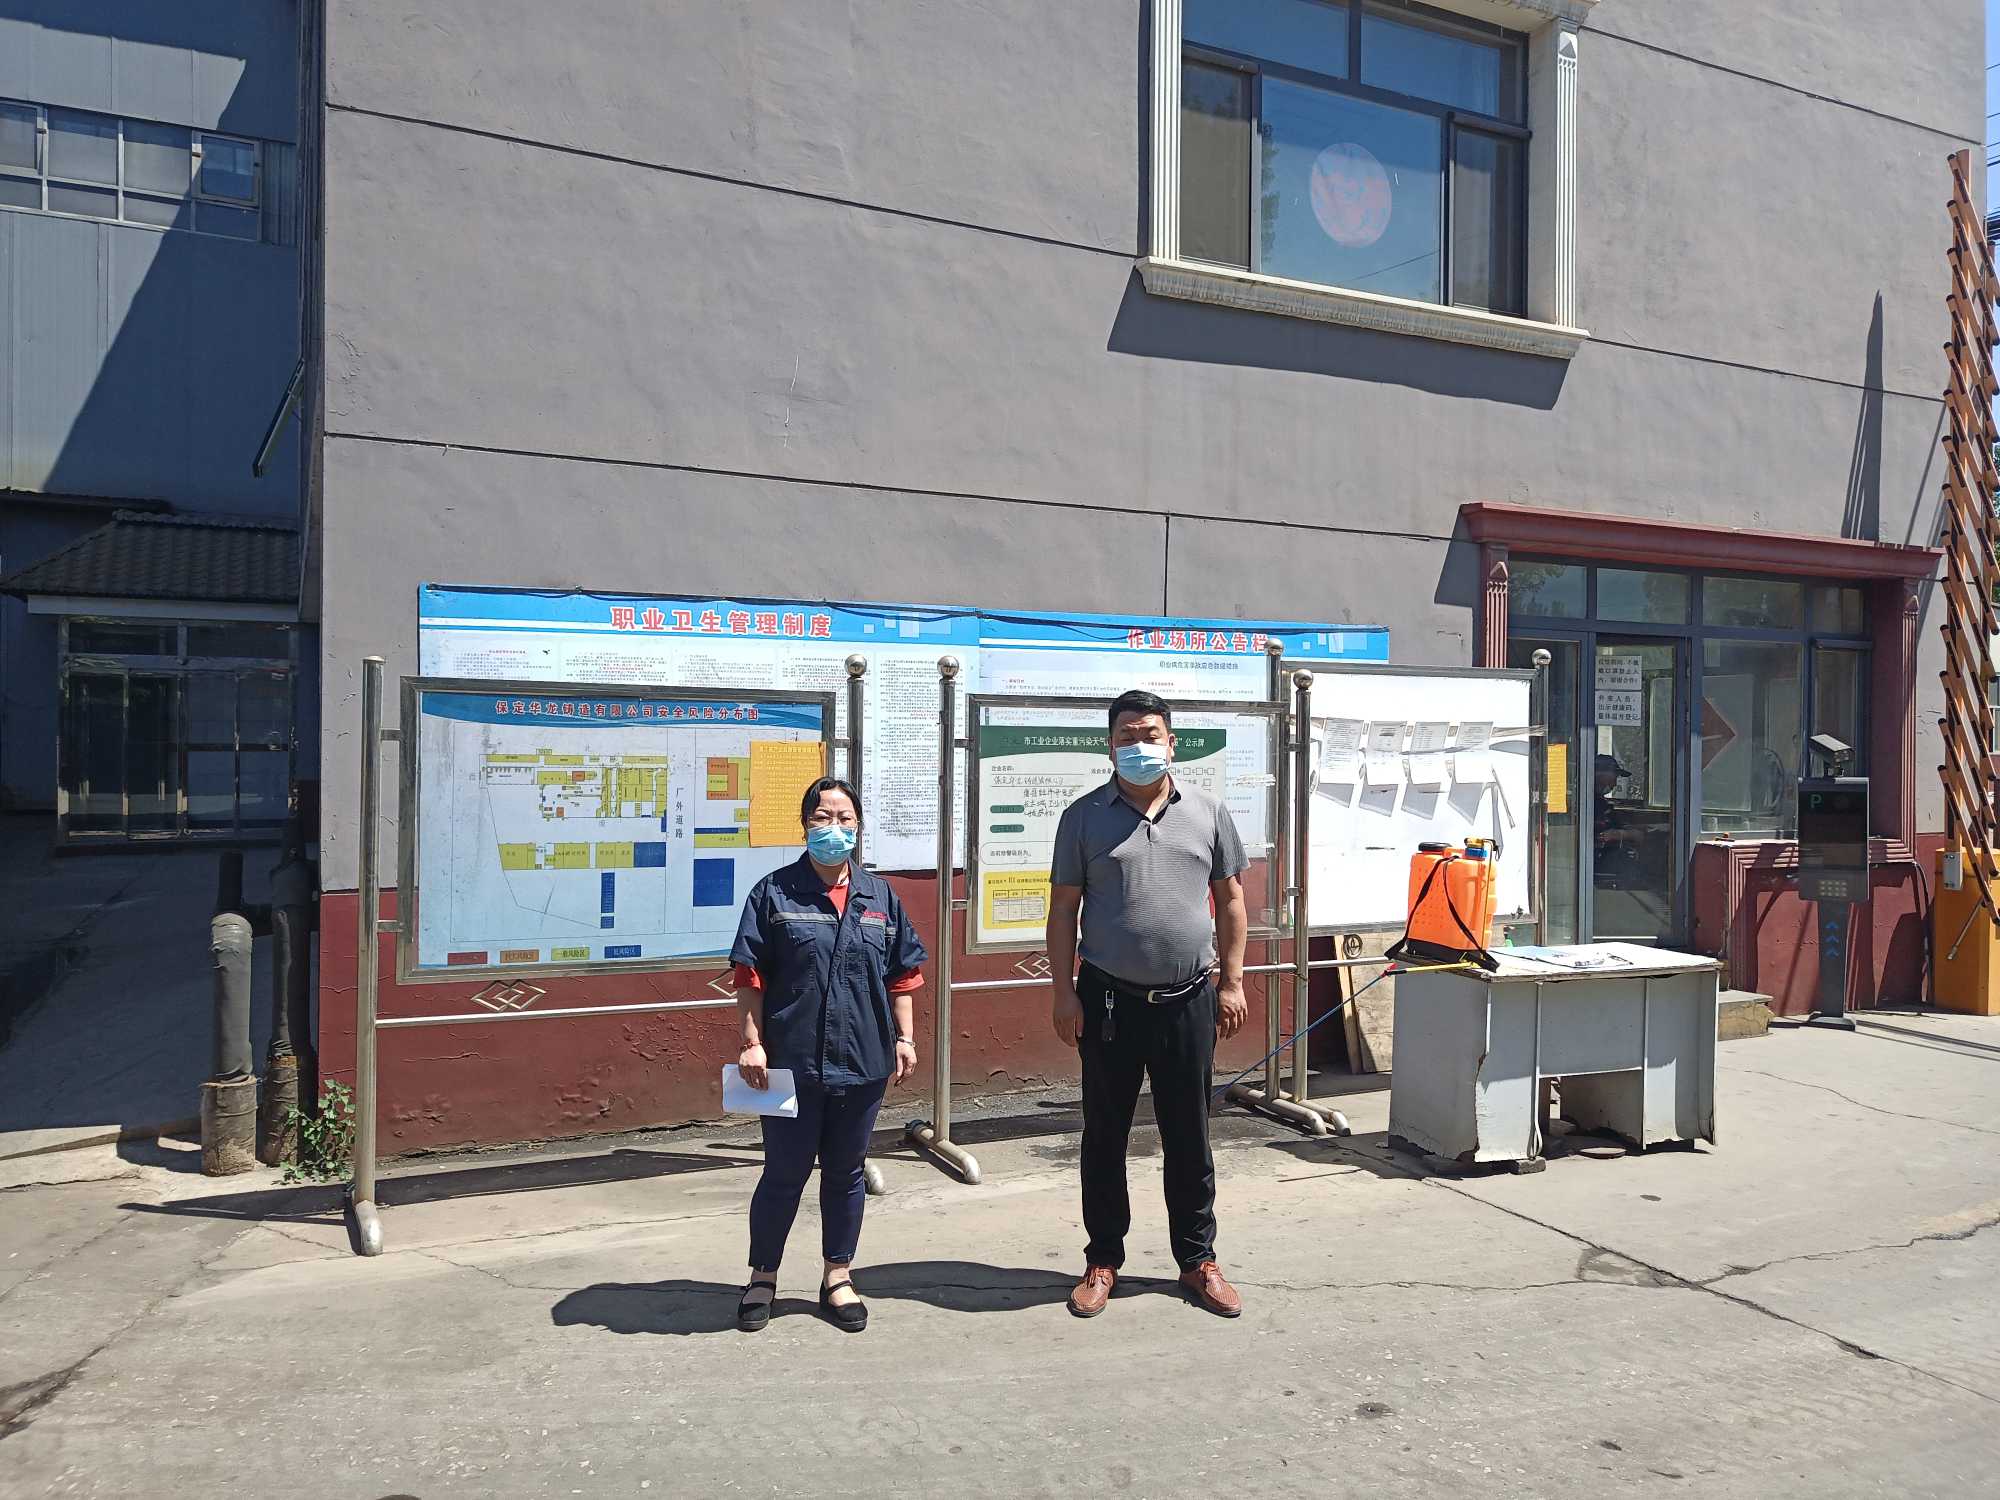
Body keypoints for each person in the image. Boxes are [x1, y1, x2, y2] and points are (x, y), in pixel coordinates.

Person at [1046, 689, 1251, 1319]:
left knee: (1188, 1133)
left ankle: (1197, 1259)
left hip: (1188, 999)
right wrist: (1062, 992)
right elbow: (1063, 911)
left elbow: (1232, 901)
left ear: (1172, 742)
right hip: (1108, 1001)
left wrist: (1233, 983)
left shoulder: (1208, 812)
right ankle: (1103, 1257)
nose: (1140, 746)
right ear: (1110, 746)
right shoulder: (1082, 817)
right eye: (1127, 736)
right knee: (1105, 1134)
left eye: (1150, 734)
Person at [729, 777, 925, 1334]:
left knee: (845, 1173)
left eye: (844, 818)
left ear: (858, 827)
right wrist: (752, 1043)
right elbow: (749, 976)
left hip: (863, 1059)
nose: (833, 828)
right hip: (790, 1062)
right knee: (783, 1173)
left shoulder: (879, 897)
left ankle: (838, 1276)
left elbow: (902, 976)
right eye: (822, 817)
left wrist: (905, 1038)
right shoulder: (774, 893)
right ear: (804, 825)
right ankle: (762, 1277)